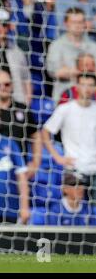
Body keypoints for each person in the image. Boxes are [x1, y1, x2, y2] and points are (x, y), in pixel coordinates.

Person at [42, 73, 96, 204]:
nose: (87, 89)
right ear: (76, 87)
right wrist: (57, 157)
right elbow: (45, 132)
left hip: (94, 169)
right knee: (75, 212)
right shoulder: (65, 109)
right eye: (83, 84)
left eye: (90, 85)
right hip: (74, 169)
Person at [0, 70, 42, 178]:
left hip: (21, 170)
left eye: (6, 84)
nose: (2, 88)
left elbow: (36, 135)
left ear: (12, 85)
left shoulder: (23, 109)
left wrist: (35, 163)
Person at [46, 7, 96, 103]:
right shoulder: (57, 45)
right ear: (66, 24)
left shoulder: (93, 46)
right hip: (65, 97)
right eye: (73, 22)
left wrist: (70, 71)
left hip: (91, 99)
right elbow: (56, 72)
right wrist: (87, 70)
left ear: (85, 23)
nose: (77, 26)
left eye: (80, 22)